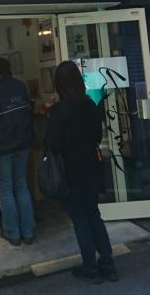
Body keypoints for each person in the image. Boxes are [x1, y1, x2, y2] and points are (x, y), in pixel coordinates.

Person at [45, 60, 118, 283]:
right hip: (92, 169)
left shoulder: (59, 111)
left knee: (80, 220)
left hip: (71, 173)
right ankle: (108, 265)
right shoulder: (90, 105)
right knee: (94, 215)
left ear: (59, 84)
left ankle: (90, 268)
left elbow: (53, 144)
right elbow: (97, 137)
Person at [0, 57, 36, 246]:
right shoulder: (20, 86)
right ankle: (28, 232)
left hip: (3, 146)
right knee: (21, 185)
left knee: (6, 189)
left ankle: (13, 233)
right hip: (23, 143)